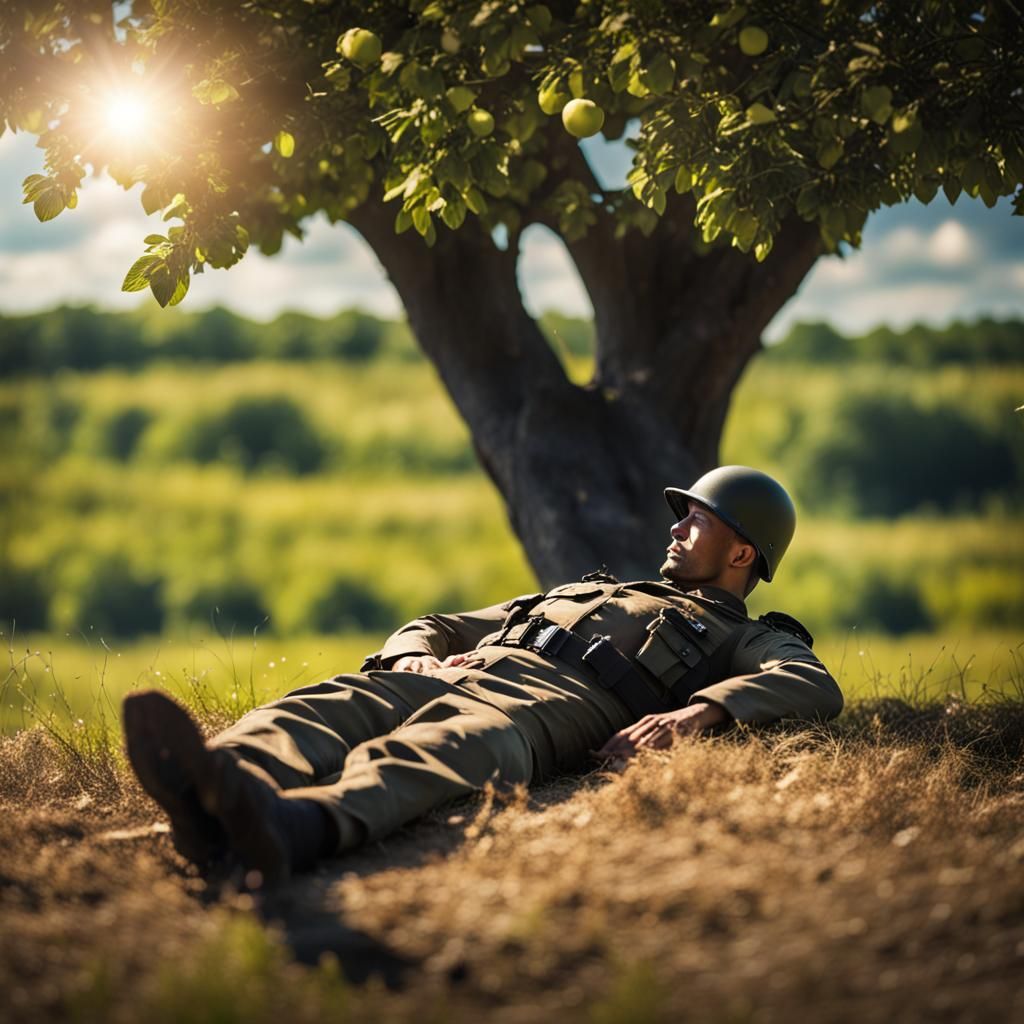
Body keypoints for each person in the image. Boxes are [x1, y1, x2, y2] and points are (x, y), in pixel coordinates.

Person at [124, 466, 843, 886]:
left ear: (743, 555)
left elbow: (812, 684)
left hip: (539, 713)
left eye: (697, 521)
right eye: (679, 516)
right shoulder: (583, 588)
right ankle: (217, 781)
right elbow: (443, 623)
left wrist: (696, 715)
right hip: (450, 674)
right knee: (330, 701)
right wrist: (410, 654)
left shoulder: (741, 635)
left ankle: (297, 826)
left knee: (454, 744)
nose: (675, 528)